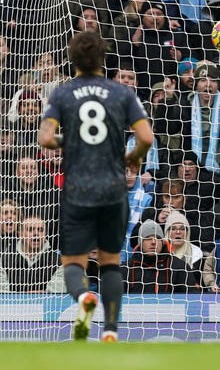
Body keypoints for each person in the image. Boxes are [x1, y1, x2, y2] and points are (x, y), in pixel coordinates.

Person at [37, 31, 153, 342]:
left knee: (75, 263)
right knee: (110, 263)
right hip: (114, 190)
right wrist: (133, 158)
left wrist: (71, 140)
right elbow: (146, 138)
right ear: (103, 60)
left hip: (78, 190)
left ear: (72, 60)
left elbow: (45, 138)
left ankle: (84, 298)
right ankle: (111, 330)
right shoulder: (121, 93)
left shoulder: (63, 94)